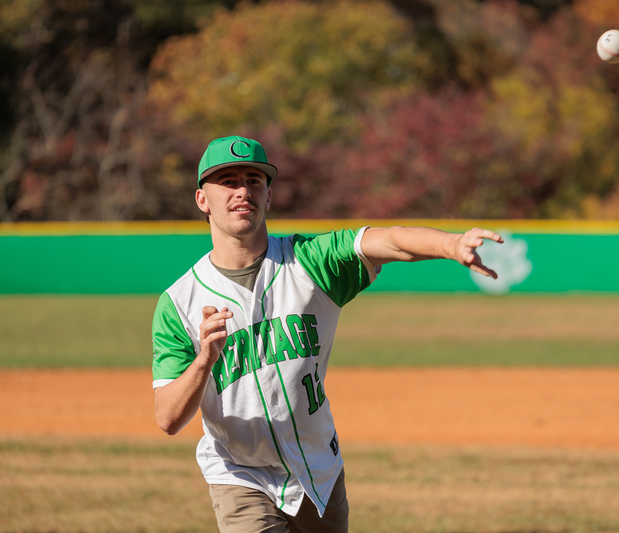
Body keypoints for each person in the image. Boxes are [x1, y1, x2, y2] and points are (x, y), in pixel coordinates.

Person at [151, 135, 504, 533]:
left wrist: (451, 244)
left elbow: (386, 240)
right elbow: (168, 418)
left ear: (268, 196)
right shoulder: (179, 302)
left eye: (254, 180)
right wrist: (203, 362)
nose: (242, 191)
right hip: (240, 475)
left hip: (319, 468)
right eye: (228, 181)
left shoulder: (309, 261)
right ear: (203, 199)